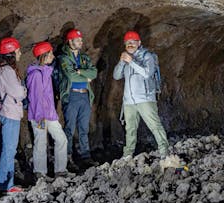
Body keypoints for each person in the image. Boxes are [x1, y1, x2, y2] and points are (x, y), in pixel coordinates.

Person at [112, 31, 179, 166]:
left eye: (133, 42)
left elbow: (147, 73)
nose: (130, 45)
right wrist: (121, 62)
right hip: (129, 101)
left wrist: (131, 62)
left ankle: (164, 152)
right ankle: (128, 154)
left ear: (139, 43)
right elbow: (116, 76)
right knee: (130, 129)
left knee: (154, 125)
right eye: (127, 43)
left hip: (145, 99)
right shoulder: (125, 58)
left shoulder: (147, 56)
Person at [26, 41, 72, 180]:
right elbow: (36, 98)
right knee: (40, 142)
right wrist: (40, 117)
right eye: (50, 53)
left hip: (49, 115)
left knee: (61, 139)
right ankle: (40, 173)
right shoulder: (36, 75)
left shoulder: (45, 72)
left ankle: (60, 171)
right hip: (40, 116)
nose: (53, 55)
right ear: (43, 56)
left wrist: (52, 113)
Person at [57, 28, 97, 168]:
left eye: (81, 39)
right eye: (78, 40)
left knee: (83, 128)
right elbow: (70, 75)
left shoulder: (84, 58)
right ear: (70, 41)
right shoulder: (63, 58)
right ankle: (68, 158)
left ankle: (85, 156)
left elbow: (94, 73)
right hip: (72, 95)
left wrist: (80, 72)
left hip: (85, 95)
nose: (81, 42)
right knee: (69, 128)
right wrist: (86, 76)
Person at [0, 37, 27, 193]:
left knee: (8, 149)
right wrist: (24, 90)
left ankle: (6, 183)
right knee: (9, 150)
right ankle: (6, 185)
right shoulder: (7, 71)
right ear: (12, 53)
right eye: (18, 50)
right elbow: (18, 92)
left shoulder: (5, 69)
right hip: (10, 113)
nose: (20, 52)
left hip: (10, 112)